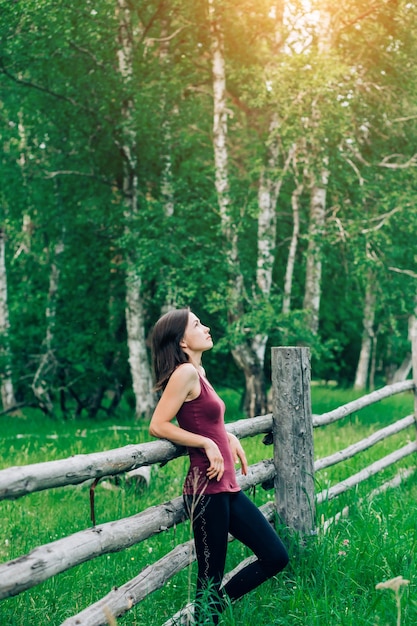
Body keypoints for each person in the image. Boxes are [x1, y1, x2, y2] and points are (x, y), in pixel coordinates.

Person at [149, 308, 289, 624]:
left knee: (275, 556)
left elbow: (202, 418)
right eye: (197, 325)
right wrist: (207, 443)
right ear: (182, 341)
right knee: (209, 578)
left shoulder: (199, 373)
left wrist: (225, 435)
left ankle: (209, 612)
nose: (207, 327)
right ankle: (207, 613)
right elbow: (158, 424)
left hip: (225, 487)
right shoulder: (183, 373)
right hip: (205, 490)